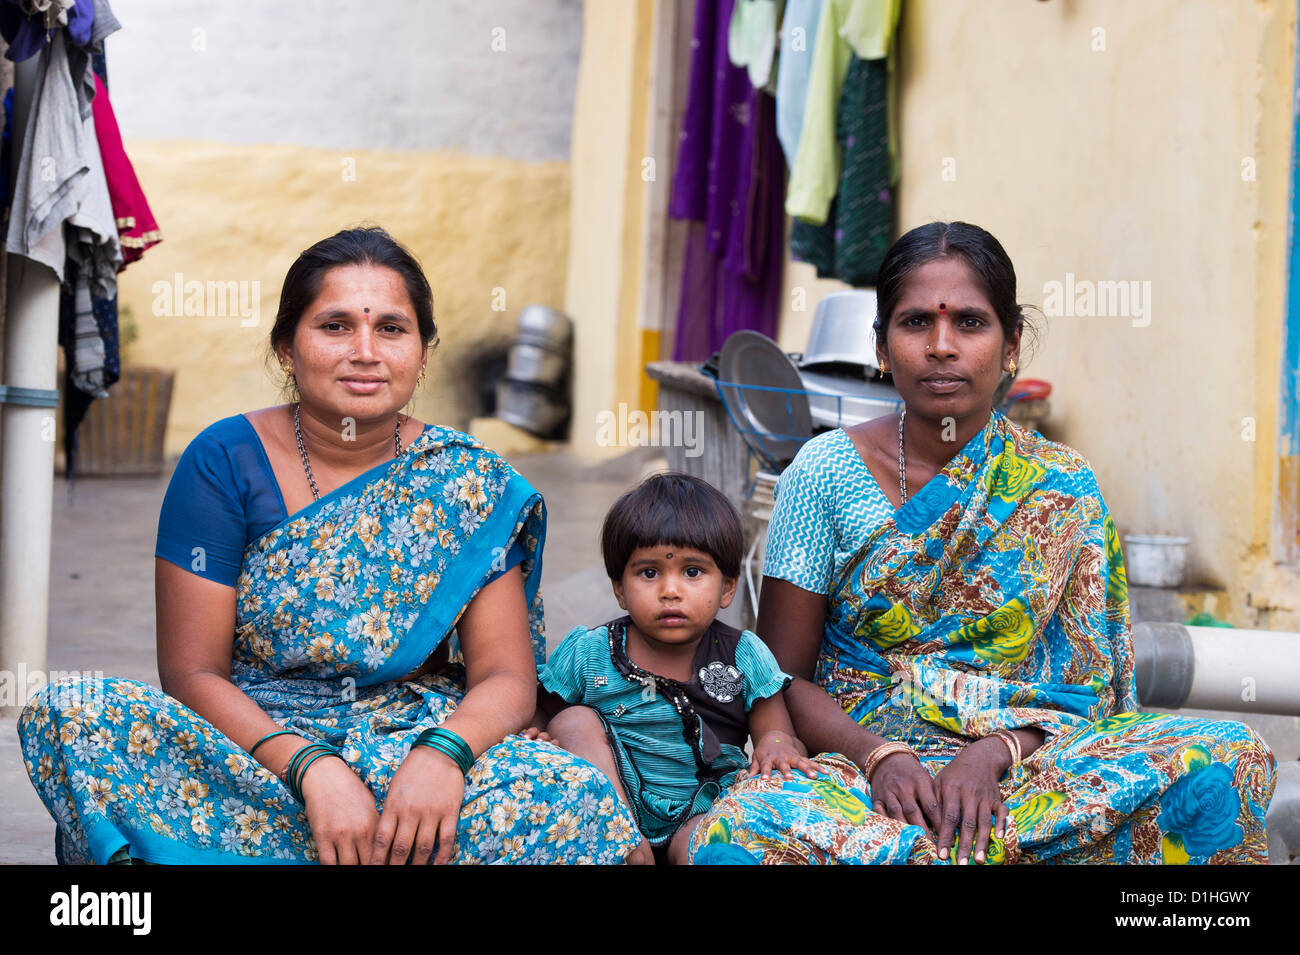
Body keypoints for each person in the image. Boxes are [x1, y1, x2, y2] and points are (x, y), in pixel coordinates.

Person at [19, 226, 640, 865]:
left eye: (392, 329)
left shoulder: (469, 482)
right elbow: (193, 672)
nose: (365, 351)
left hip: (411, 742)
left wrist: (444, 755)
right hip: (255, 753)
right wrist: (314, 772)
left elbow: (505, 676)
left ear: (423, 352)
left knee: (569, 798)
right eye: (336, 326)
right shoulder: (224, 460)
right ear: (287, 348)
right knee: (74, 711)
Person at [688, 221, 1277, 865]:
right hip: (864, 775)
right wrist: (879, 756)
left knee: (1228, 756)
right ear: (882, 346)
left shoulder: (1061, 485)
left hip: (1027, 766)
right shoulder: (824, 473)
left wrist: (994, 752)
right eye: (915, 324)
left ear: (1011, 344)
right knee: (740, 832)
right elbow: (779, 677)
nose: (942, 347)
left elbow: (1092, 686)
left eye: (970, 323)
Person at [528, 473, 820, 864]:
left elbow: (778, 732)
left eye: (693, 572)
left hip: (703, 807)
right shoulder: (588, 652)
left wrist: (775, 745)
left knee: (706, 846)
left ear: (727, 588)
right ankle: (629, 848)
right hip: (613, 805)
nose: (670, 590)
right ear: (619, 589)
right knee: (574, 722)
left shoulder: (743, 654)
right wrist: (535, 734)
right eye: (648, 573)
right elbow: (540, 711)